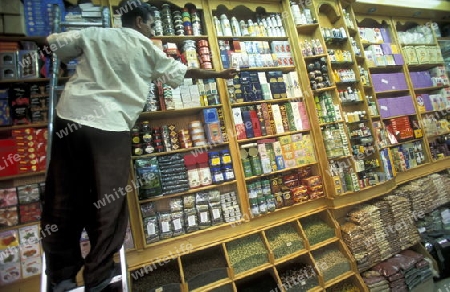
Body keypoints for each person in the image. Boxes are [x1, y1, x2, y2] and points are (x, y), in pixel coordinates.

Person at [39, 1, 237, 291]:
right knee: (110, 202)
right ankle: (98, 275)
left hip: (71, 118)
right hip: (111, 126)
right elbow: (184, 73)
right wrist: (219, 75)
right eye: (152, 23)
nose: (153, 28)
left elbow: (54, 44)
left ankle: (63, 274)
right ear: (141, 23)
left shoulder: (97, 34)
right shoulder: (147, 49)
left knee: (63, 194)